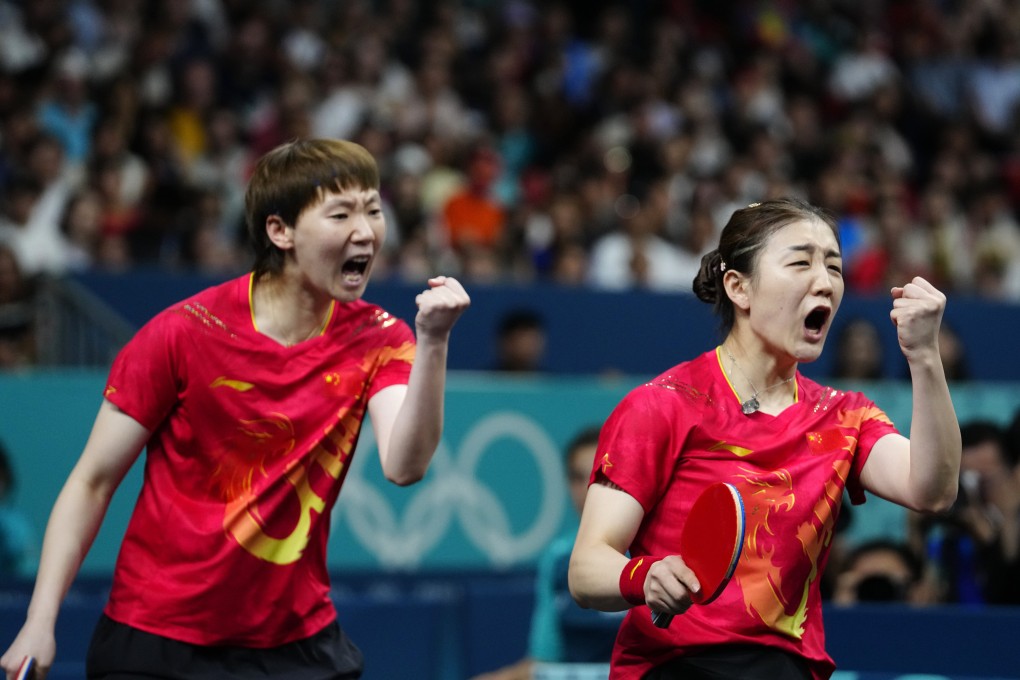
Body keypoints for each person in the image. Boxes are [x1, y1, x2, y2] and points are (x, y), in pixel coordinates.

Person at [0, 138, 470, 680]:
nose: (365, 231)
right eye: (341, 213)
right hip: (157, 640)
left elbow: (404, 466)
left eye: (372, 209)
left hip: (294, 641)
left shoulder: (378, 339)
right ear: (280, 231)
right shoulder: (182, 333)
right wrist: (40, 620)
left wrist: (433, 342)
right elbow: (92, 482)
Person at [567, 197, 960, 679]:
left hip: (787, 669)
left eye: (834, 267)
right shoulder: (664, 405)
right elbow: (586, 569)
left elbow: (932, 489)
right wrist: (644, 575)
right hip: (675, 666)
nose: (825, 282)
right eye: (800, 262)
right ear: (739, 287)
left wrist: (923, 356)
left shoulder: (843, 417)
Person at [470, 425, 623, 680]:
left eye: (599, 473)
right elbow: (544, 661)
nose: (587, 488)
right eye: (576, 477)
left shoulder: (650, 551)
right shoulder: (557, 558)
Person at [912, 420, 1020, 605]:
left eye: (984, 481)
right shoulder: (942, 529)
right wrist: (915, 528)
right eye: (965, 480)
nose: (974, 493)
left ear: (1011, 476)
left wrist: (1003, 528)